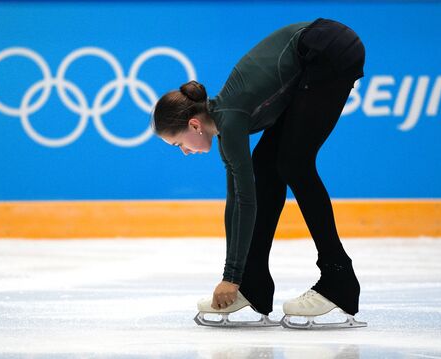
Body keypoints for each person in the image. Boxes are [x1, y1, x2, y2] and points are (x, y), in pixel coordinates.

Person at [151, 18, 366, 329]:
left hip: (328, 48)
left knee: (295, 163)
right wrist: (235, 276)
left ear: (194, 125)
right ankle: (254, 283)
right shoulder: (225, 125)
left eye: (177, 143)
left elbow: (246, 201)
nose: (183, 151)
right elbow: (234, 202)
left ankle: (338, 277)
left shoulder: (231, 117)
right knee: (266, 165)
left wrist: (229, 276)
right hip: (313, 55)